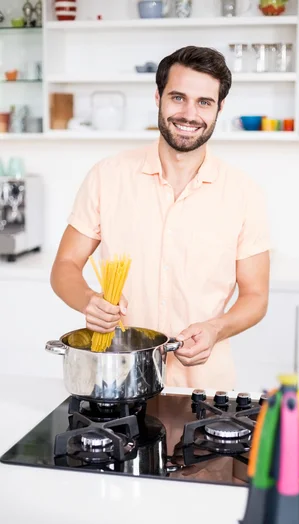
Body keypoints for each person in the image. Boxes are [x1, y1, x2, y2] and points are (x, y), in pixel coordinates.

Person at [50, 45, 270, 390]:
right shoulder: (108, 176)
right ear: (158, 97)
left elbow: (256, 296)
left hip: (203, 384)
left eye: (204, 102)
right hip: (116, 379)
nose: (189, 113)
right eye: (178, 97)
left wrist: (216, 329)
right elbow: (65, 264)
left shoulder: (243, 192)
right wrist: (88, 301)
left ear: (219, 108)